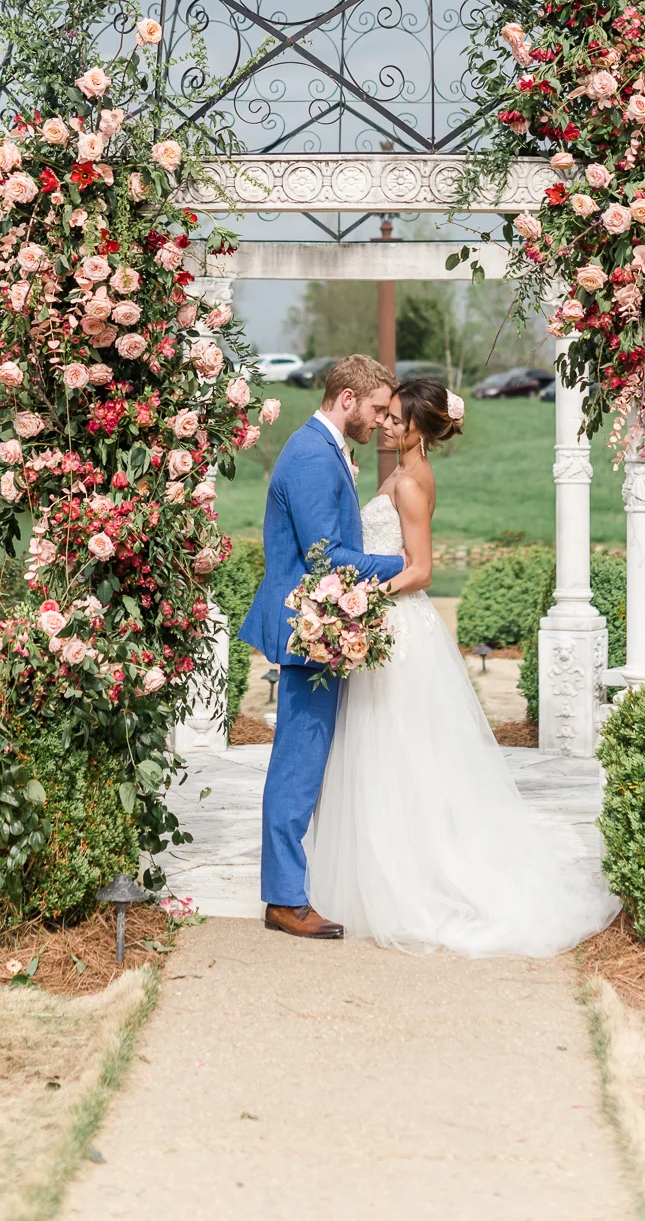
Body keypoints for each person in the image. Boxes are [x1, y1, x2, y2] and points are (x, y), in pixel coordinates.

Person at [306, 376, 619, 955]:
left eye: (397, 418)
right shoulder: (400, 475)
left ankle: (417, 880)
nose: (387, 424)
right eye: (389, 415)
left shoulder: (412, 483)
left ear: (421, 428)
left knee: (399, 752)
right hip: (393, 623)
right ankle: (385, 872)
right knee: (389, 754)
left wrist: (365, 598)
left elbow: (421, 569)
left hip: (400, 627)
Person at [240, 353, 404, 938]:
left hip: (322, 625)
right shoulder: (312, 455)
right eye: (377, 409)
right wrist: (403, 563)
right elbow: (324, 557)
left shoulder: (323, 448)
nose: (381, 422)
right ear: (347, 399)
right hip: (308, 630)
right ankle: (284, 900)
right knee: (298, 763)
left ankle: (291, 889)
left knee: (307, 760)